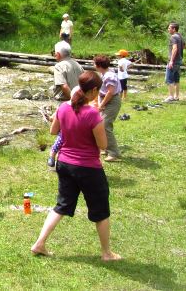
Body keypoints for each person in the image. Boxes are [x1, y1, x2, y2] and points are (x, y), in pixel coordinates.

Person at [31, 71, 121, 262]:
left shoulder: (63, 107)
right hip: (89, 168)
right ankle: (107, 253)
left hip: (64, 164)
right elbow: (103, 146)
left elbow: (53, 130)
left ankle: (39, 243)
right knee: (100, 211)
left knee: (61, 206)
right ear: (94, 90)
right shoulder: (93, 115)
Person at [93, 55, 122, 162]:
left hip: (112, 102)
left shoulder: (109, 76)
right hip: (106, 101)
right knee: (101, 125)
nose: (93, 65)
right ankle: (105, 147)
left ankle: (114, 152)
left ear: (99, 65)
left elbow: (110, 92)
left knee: (105, 125)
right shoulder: (104, 73)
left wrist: (101, 105)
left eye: (94, 63)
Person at [165, 22, 185, 102]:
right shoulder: (180, 36)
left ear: (174, 29)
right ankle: (176, 97)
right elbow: (184, 46)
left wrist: (171, 61)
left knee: (169, 79)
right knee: (176, 79)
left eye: (169, 28)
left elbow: (175, 48)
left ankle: (171, 97)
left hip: (174, 61)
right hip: (179, 60)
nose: (168, 29)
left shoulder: (173, 37)